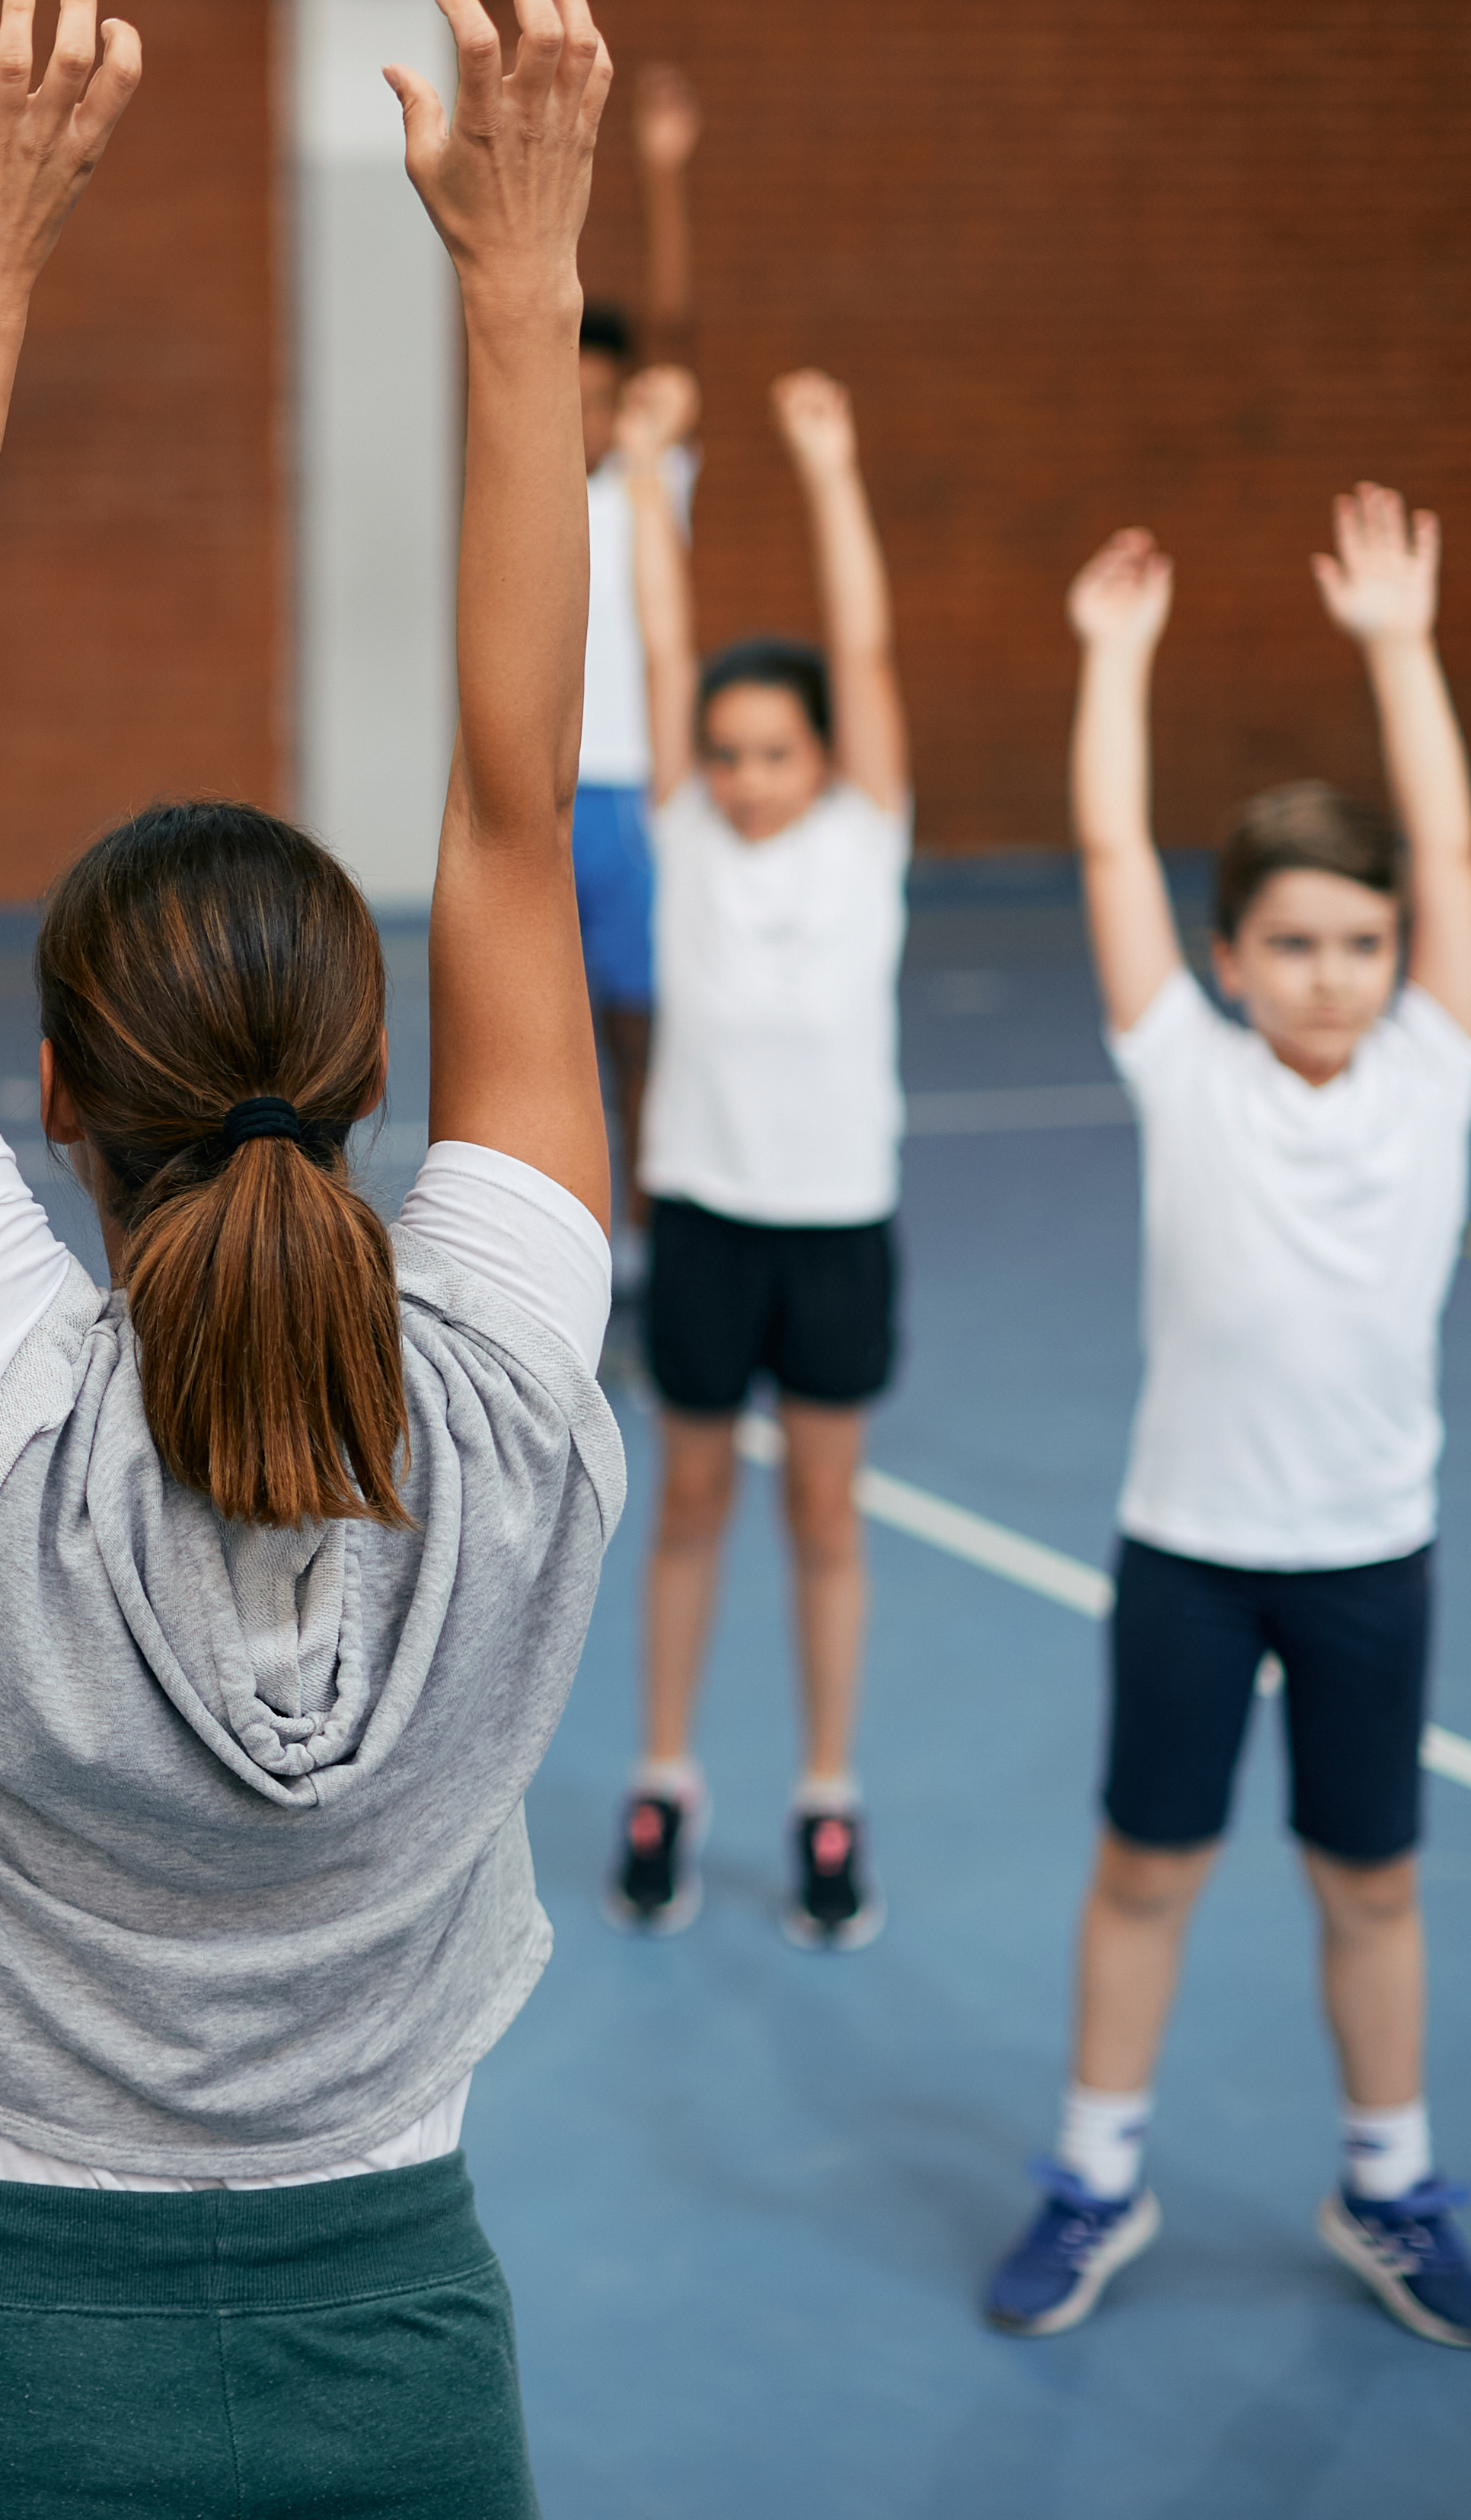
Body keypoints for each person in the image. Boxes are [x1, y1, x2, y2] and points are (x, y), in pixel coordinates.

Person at [0, 0, 625, 2518]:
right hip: (403, 2355)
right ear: (376, 1095)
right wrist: (516, 287)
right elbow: (513, 814)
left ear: (47, 1099)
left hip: (4, 2368)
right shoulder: (493, 1401)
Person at [983, 490, 1471, 2349]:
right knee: (1149, 1866)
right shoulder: (1186, 1070)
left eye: (1361, 945)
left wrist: (1395, 645)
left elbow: (1444, 843)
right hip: (1193, 1554)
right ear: (1228, 961)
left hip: (1372, 1556)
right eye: (1292, 946)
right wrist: (1114, 664)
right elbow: (1115, 848)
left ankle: (1390, 2181)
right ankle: (1094, 2174)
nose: (1333, 977)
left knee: (1371, 1879)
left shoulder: (1436, 1062)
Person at [598, 363, 911, 1951]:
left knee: (828, 1517)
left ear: (825, 761)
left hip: (837, 1225)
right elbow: (662, 639)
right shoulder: (683, 836)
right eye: (722, 752)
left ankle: (827, 1791)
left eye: (773, 753)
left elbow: (859, 644)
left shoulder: (868, 837)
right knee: (696, 1500)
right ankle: (666, 1776)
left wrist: (826, 462)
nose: (741, 775)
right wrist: (648, 476)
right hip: (711, 1219)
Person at [572, 64, 700, 1273]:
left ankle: (651, 1239)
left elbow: (673, 337)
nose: (588, 416)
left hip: (634, 793)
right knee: (549, 1027)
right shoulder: (532, 495)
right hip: (551, 789)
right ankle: (573, 1235)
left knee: (640, 1024)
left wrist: (660, 174)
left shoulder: (655, 481)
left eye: (604, 399)